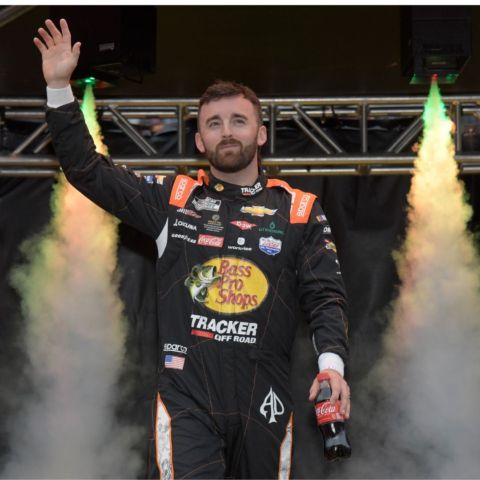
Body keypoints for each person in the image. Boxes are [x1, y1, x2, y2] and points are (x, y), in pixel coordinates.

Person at [34, 18, 351, 479]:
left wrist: (332, 367)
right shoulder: (173, 199)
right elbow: (87, 170)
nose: (228, 132)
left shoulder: (299, 209)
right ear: (199, 140)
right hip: (188, 397)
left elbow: (327, 298)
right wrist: (60, 86)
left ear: (261, 134)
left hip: (265, 398)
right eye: (214, 124)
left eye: (239, 121)